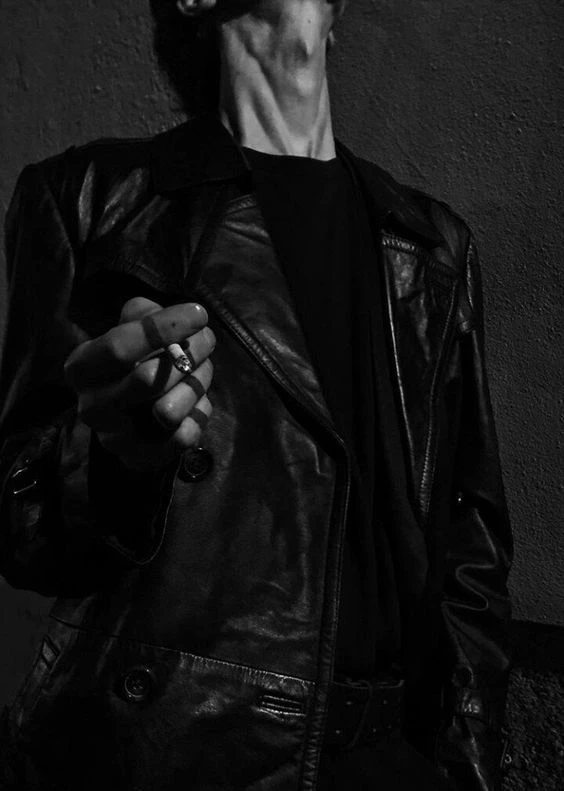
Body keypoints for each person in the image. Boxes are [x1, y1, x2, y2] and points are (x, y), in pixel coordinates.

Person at [0, 1, 513, 789]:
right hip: (183, 753)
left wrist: (466, 767)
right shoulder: (94, 197)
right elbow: (21, 526)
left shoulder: (432, 247)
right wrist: (115, 463)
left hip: (390, 761)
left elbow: (469, 549)